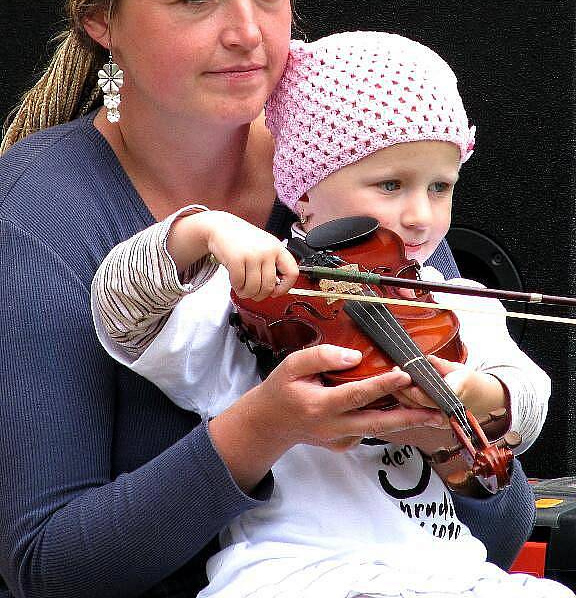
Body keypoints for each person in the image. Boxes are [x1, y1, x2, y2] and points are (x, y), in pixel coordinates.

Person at [0, 0, 537, 595]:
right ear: (98, 18)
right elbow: (45, 567)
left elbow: (500, 532)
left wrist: (453, 440)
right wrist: (264, 429)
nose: (249, 34)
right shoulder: (41, 217)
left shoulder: (350, 167)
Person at [91, 31, 565, 598]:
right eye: (390, 184)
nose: (421, 215)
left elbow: (528, 400)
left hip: (445, 572)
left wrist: (481, 395)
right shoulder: (260, 298)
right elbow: (121, 311)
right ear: (306, 191)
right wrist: (201, 230)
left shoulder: (450, 302)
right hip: (296, 572)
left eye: (441, 187)